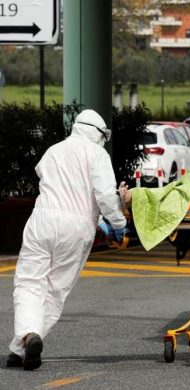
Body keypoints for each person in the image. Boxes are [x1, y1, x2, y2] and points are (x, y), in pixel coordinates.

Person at [6, 109, 128, 371]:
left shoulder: (53, 151)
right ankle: (25, 342)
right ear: (98, 133)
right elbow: (104, 197)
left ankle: (23, 341)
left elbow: (58, 186)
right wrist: (118, 224)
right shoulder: (98, 154)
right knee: (55, 289)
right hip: (76, 228)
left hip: (42, 221)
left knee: (29, 281)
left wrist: (101, 222)